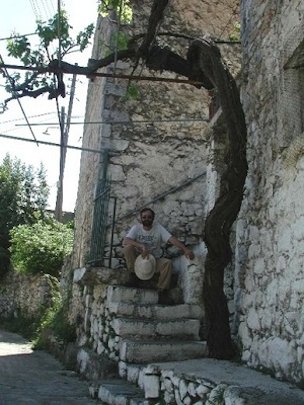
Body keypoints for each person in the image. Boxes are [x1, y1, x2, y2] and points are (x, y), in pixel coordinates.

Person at [123, 208, 194, 300]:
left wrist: (185, 249)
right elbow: (126, 240)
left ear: (153, 218)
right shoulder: (136, 228)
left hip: (153, 260)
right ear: (140, 219)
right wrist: (141, 245)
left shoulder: (158, 228)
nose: (146, 219)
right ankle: (133, 274)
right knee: (128, 248)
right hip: (138, 259)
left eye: (149, 217)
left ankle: (162, 290)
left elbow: (171, 239)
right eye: (144, 217)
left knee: (167, 263)